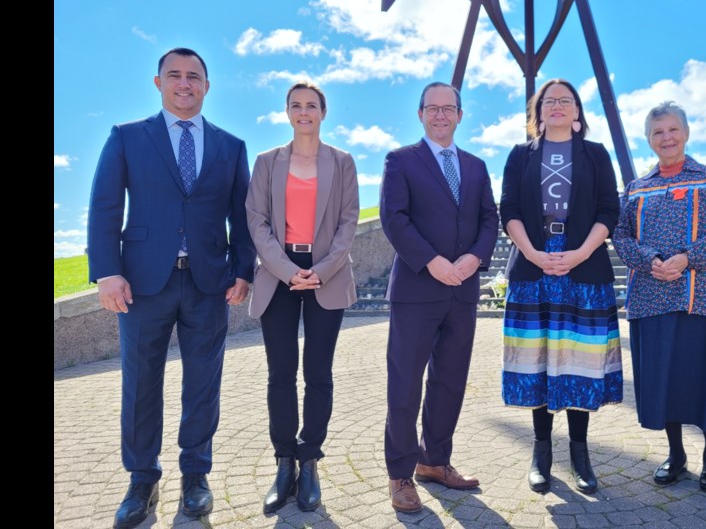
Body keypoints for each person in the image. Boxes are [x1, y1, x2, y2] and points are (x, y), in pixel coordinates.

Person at [87, 48, 256, 528]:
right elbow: (104, 206)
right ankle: (142, 479)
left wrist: (243, 269)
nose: (185, 84)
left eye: (195, 77)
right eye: (175, 76)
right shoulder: (127, 137)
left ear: (207, 85)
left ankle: (195, 475)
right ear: (158, 82)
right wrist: (106, 271)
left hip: (209, 284)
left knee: (203, 384)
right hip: (141, 284)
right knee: (140, 384)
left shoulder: (230, 145)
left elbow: (240, 215)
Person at [379, 82, 499, 513]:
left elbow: (490, 217)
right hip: (417, 288)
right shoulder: (401, 160)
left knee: (450, 381)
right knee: (405, 384)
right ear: (421, 114)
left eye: (449, 109)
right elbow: (394, 218)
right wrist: (432, 262)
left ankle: (435, 461)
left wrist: (473, 259)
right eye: (433, 108)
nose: (441, 115)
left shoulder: (476, 166)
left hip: (462, 290)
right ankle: (400, 474)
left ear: (461, 116)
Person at [499, 78, 622, 494]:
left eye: (564, 101)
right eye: (549, 101)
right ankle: (541, 453)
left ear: (577, 111)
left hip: (583, 264)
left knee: (578, 361)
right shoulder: (520, 156)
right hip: (534, 265)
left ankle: (580, 454)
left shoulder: (595, 154)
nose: (557, 106)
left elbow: (610, 209)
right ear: (538, 112)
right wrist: (533, 253)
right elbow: (509, 208)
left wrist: (580, 253)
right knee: (538, 360)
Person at [612, 101, 706, 493]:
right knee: (663, 378)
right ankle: (676, 454)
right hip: (651, 297)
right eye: (657, 132)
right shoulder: (637, 188)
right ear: (649, 140)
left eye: (672, 130)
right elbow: (621, 235)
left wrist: (688, 258)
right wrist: (649, 259)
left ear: (685, 133)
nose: (666, 138)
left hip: (704, 297)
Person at [245, 83, 360, 514]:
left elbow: (349, 221)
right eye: (296, 105)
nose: (304, 111)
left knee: (318, 373)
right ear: (287, 112)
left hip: (325, 277)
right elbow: (256, 220)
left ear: (323, 112)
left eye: (312, 105)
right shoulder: (267, 162)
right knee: (280, 374)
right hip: (279, 275)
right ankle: (284, 462)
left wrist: (321, 270)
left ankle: (309, 459)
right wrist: (288, 271)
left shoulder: (343, 162)